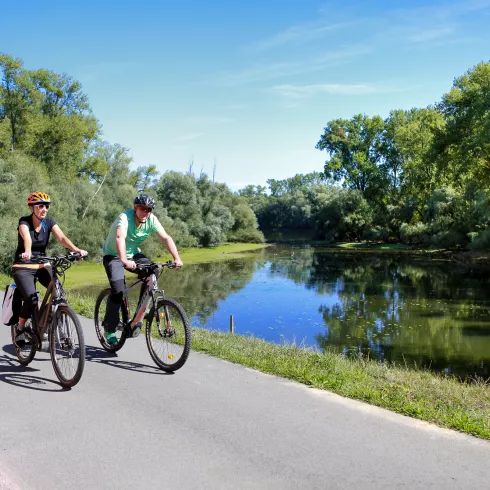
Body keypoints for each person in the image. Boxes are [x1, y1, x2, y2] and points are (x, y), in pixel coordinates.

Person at [101, 193, 183, 344]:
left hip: (134, 254)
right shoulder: (125, 218)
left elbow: (165, 237)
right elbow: (119, 237)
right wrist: (124, 259)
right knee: (118, 292)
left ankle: (139, 315)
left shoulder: (151, 219)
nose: (145, 212)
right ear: (135, 208)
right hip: (113, 255)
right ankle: (109, 329)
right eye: (142, 209)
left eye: (148, 209)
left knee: (153, 271)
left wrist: (176, 258)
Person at [12, 192, 88, 342]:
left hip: (42, 264)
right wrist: (27, 252)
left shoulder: (49, 222)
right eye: (40, 206)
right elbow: (27, 237)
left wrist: (76, 250)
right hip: (23, 266)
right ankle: (20, 328)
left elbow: (62, 238)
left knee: (58, 294)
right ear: (31, 207)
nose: (44, 209)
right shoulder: (24, 222)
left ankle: (41, 323)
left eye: (46, 206)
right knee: (32, 298)